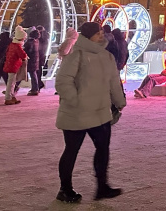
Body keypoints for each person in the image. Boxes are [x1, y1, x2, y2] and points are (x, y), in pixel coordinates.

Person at [55, 22, 126, 203]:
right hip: (77, 113)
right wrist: (75, 100)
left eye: (102, 32)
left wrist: (119, 102)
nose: (101, 35)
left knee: (103, 149)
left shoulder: (106, 56)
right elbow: (63, 80)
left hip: (100, 112)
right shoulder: (76, 54)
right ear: (88, 36)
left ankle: (102, 186)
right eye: (98, 33)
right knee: (71, 150)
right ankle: (65, 189)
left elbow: (113, 82)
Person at [3, 27, 28, 105]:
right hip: (13, 66)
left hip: (10, 65)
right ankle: (8, 98)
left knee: (12, 82)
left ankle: (12, 96)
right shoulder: (17, 46)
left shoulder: (12, 44)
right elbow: (23, 55)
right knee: (11, 83)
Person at [24, 29, 42, 96]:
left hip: (30, 60)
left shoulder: (30, 42)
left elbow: (28, 50)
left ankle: (35, 88)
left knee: (31, 74)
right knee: (33, 74)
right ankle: (35, 88)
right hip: (35, 60)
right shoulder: (36, 41)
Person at [36, 25, 50, 90]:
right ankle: (39, 83)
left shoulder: (39, 37)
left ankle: (39, 83)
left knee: (37, 69)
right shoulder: (46, 36)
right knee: (39, 68)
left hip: (39, 54)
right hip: (44, 54)